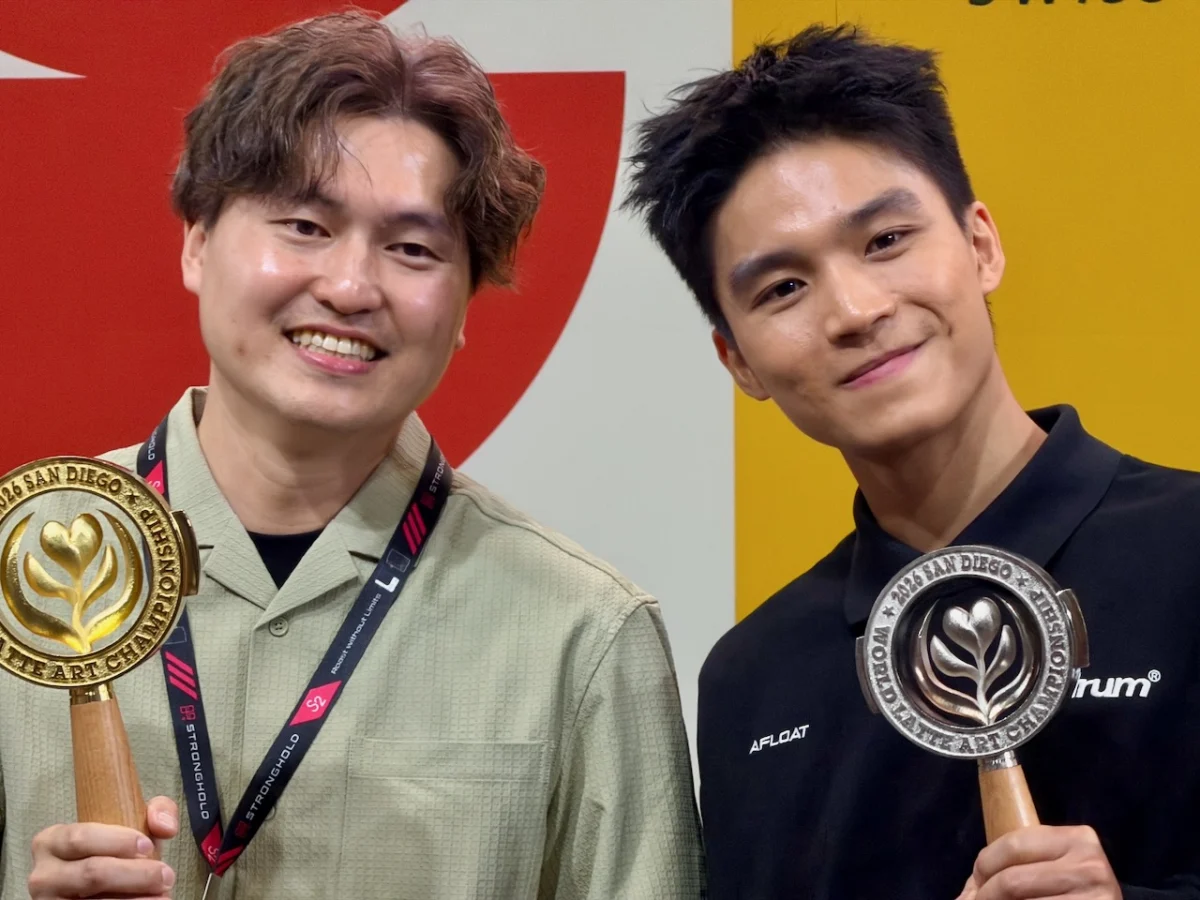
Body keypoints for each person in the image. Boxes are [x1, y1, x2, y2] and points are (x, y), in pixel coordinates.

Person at [0, 11, 705, 900]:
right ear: (198, 242)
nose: (349, 286)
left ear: (464, 308)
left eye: (412, 249)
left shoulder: (582, 634)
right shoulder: (19, 562)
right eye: (304, 224)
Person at [624, 23, 1200, 900]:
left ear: (981, 244)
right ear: (738, 362)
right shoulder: (754, 679)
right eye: (783, 288)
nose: (855, 310)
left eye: (886, 240)